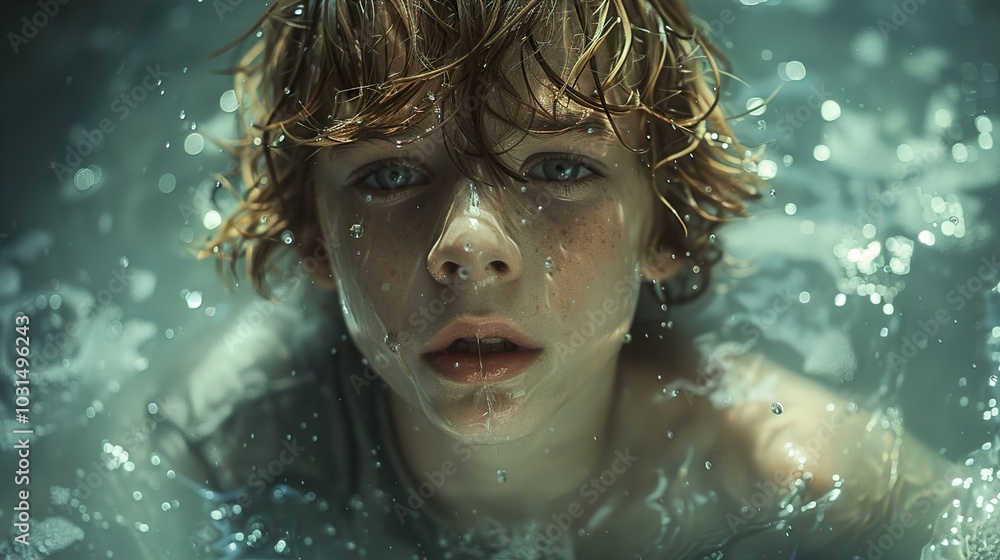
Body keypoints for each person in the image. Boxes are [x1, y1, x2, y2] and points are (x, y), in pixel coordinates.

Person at [53, 1, 969, 558]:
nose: (468, 244)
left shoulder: (792, 471)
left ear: (666, 229)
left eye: (561, 168)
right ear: (315, 242)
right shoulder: (211, 441)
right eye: (390, 175)